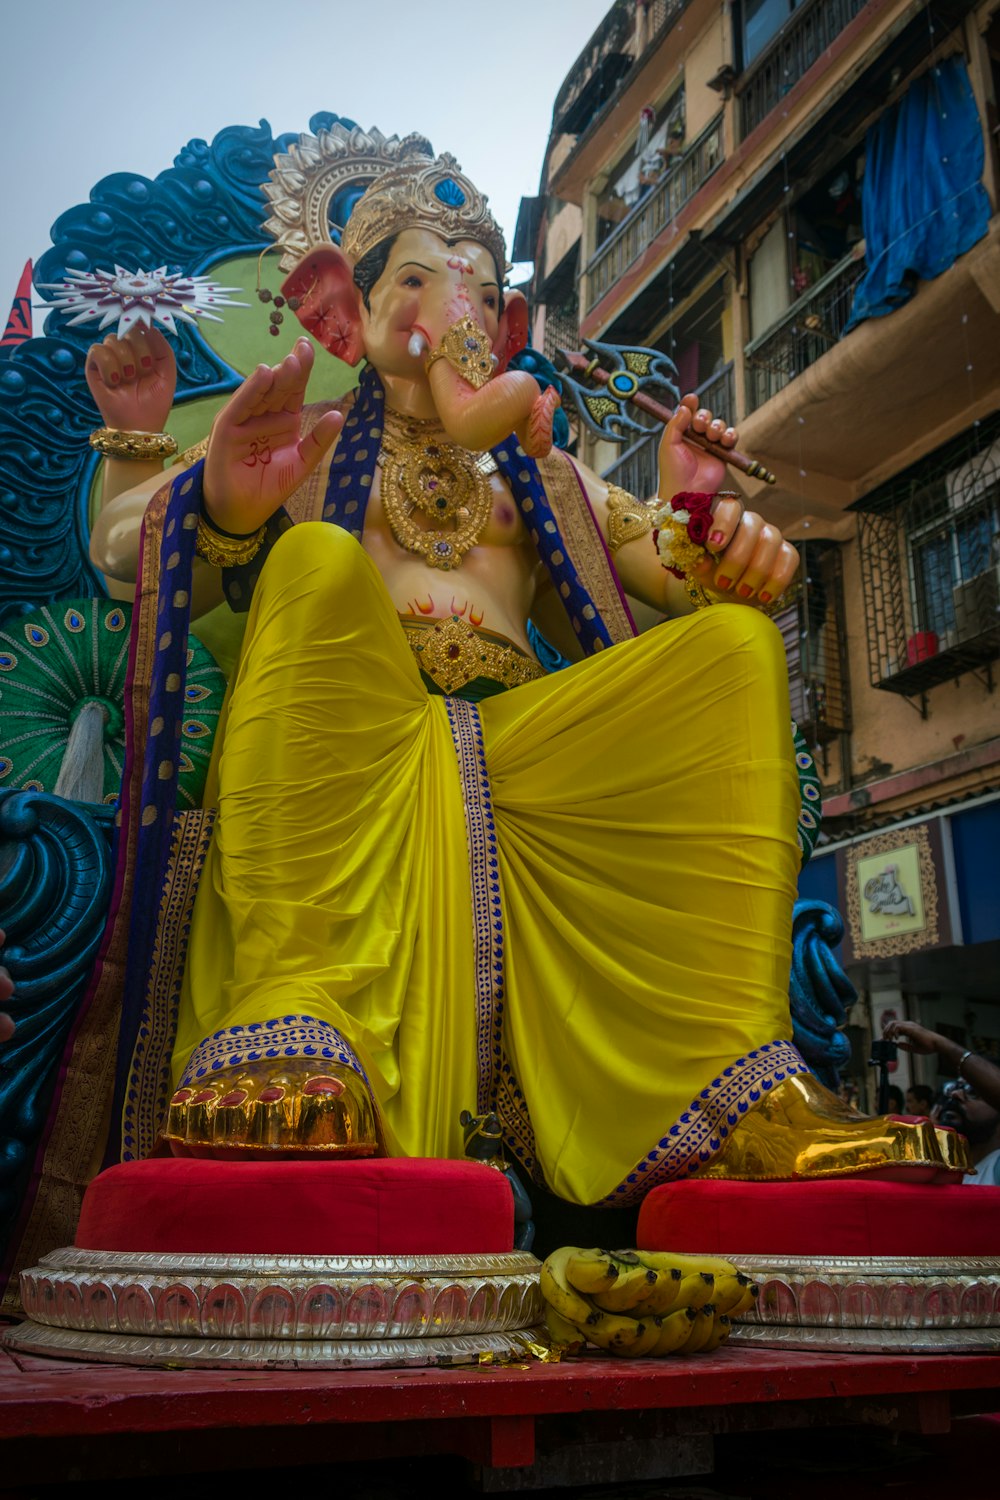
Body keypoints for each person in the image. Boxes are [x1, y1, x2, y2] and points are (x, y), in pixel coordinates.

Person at [84, 137, 963, 1202]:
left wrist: (723, 533)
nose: (449, 306)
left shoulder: (541, 481)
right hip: (352, 752)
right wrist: (221, 493)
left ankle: (735, 1077)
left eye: (473, 284)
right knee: (313, 559)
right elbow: (127, 544)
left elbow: (679, 574)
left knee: (734, 650)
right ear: (340, 316)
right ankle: (295, 1013)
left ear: (501, 326)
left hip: (524, 759)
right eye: (416, 279)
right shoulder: (301, 447)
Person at [884, 1018, 1000, 1184]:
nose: (956, 1095)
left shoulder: (995, 1167)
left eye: (973, 1093)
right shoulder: (936, 1173)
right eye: (954, 1088)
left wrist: (940, 1044)